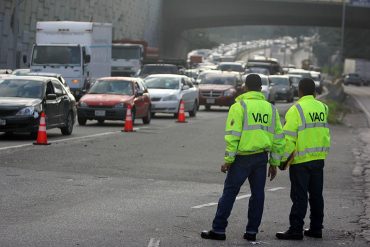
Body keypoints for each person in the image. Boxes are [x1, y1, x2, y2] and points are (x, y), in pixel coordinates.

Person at [201, 74, 285, 242]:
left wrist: (228, 160)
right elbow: (278, 139)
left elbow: (233, 137)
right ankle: (252, 232)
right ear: (261, 89)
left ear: (245, 87)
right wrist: (274, 163)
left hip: (241, 159)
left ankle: (218, 230)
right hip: (261, 158)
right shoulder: (271, 109)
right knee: (258, 195)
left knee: (230, 193)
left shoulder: (239, 107)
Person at [276, 78, 331, 240]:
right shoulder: (323, 107)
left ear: (299, 91)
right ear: (314, 91)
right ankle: (316, 228)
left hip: (300, 161)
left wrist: (282, 160)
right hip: (319, 158)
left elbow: (289, 139)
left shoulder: (296, 110)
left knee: (299, 196)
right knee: (316, 195)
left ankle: (295, 230)